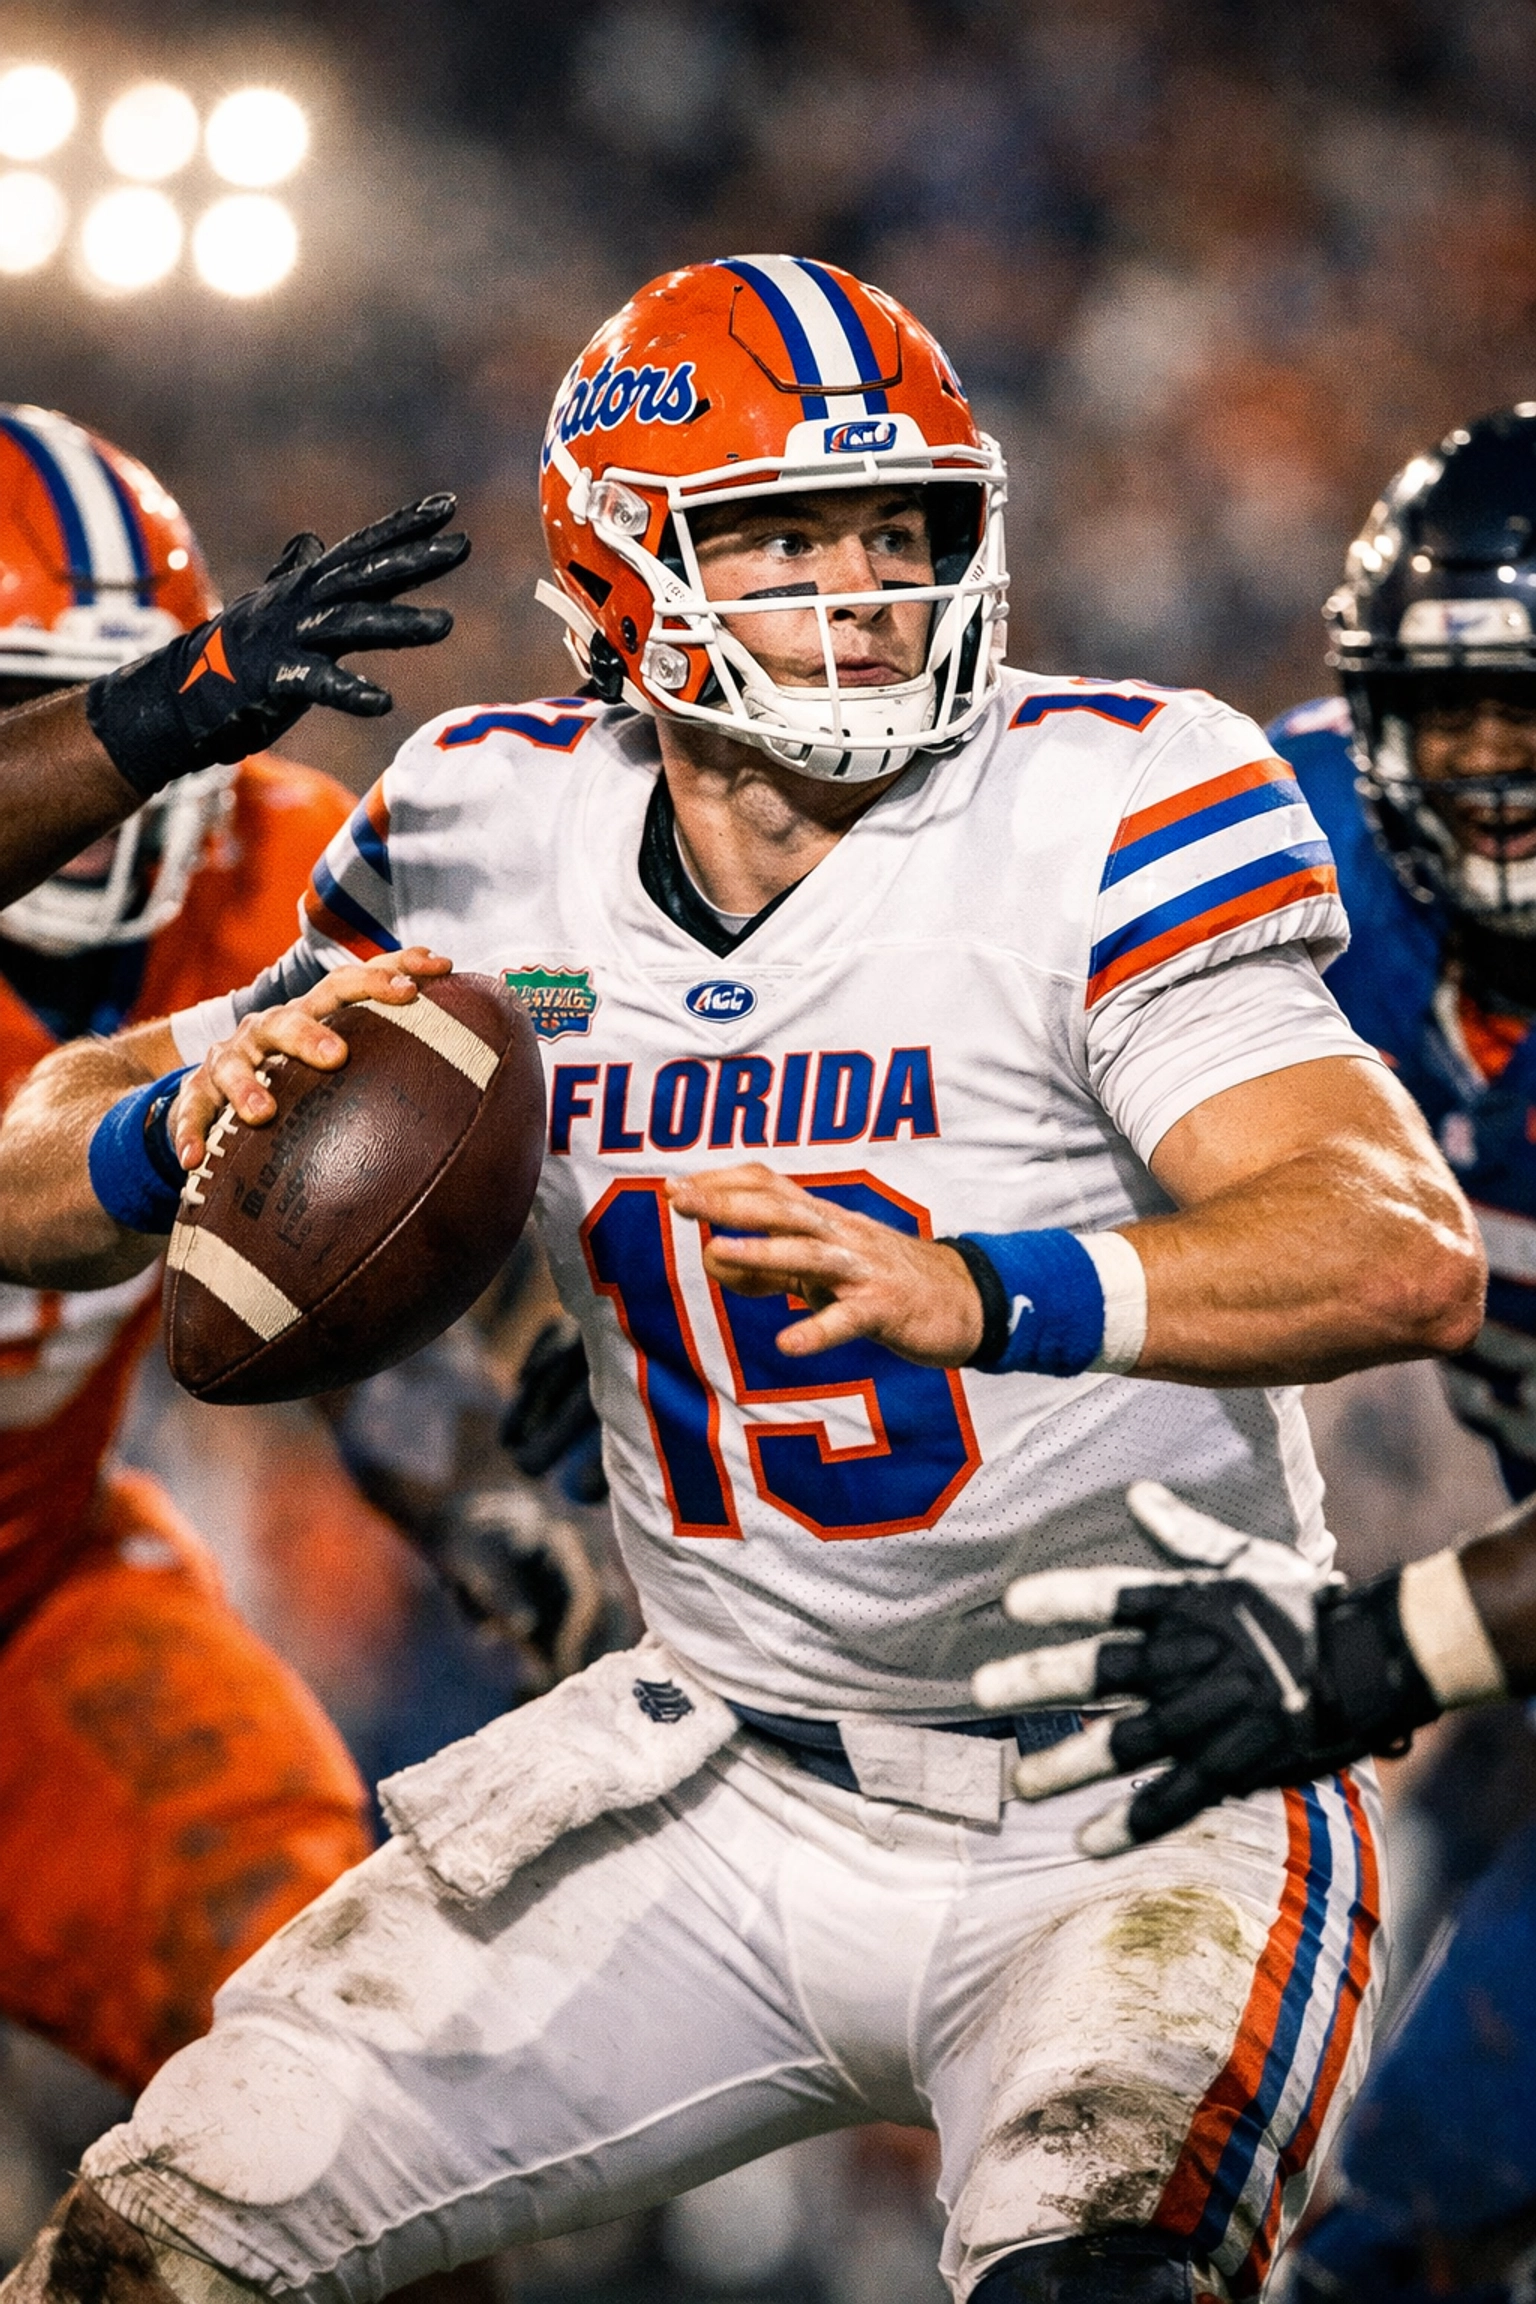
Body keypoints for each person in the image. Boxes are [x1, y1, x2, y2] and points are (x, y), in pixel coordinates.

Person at [0, 258, 1487, 2304]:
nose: (869, 593)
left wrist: (997, 1288)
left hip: (1136, 1790)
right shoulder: (480, 827)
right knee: (143, 2258)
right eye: (784, 539)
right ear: (623, 569)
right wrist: (167, 1128)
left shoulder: (1106, 794)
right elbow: (26, 1175)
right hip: (717, 1773)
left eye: (906, 531)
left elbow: (1384, 1244)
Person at [966, 408, 1536, 2302]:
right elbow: (979, 1046)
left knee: (1450, 2172)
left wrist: (1388, 1653)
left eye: (1534, 710)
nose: (1489, 769)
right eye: (1450, 710)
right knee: (1409, 2209)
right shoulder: (1309, 855)